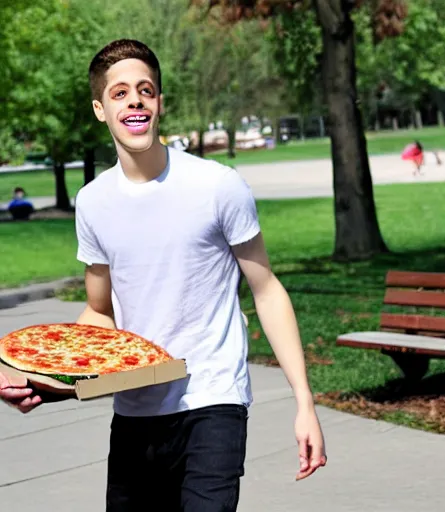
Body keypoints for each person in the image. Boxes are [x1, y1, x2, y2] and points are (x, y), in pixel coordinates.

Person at [0, 39, 326, 510]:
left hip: (213, 400)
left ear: (159, 104)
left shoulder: (218, 186)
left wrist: (305, 403)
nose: (135, 99)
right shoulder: (92, 203)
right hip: (134, 408)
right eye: (120, 93)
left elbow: (267, 289)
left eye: (146, 90)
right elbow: (98, 313)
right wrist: (41, 380)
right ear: (100, 109)